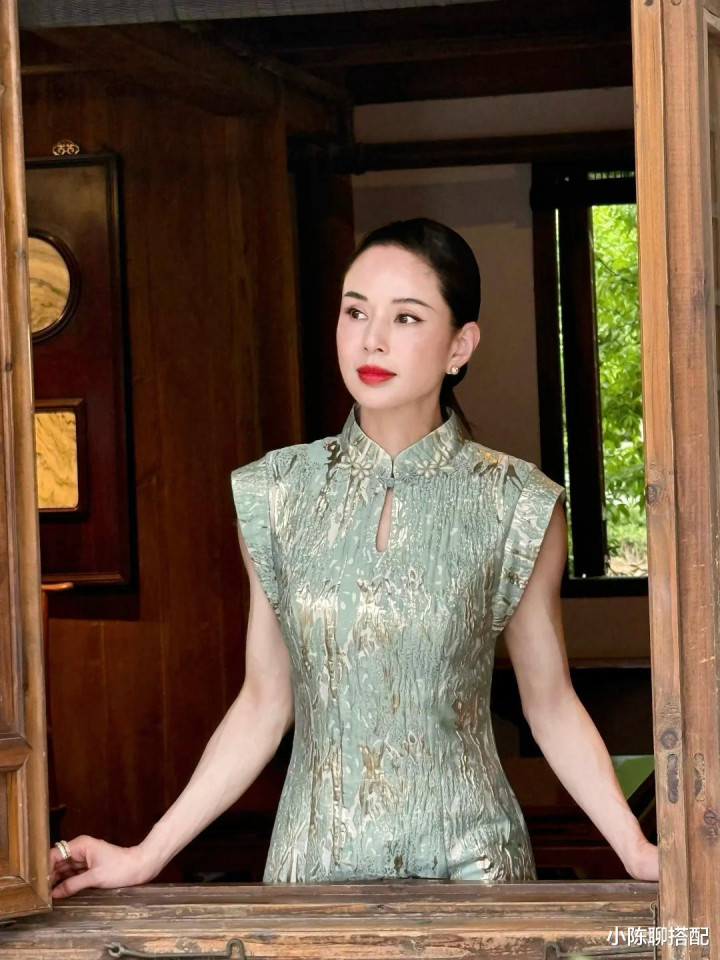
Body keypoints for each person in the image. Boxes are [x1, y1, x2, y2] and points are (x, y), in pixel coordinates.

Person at [49, 218, 659, 897]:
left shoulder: (517, 503)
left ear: (460, 346)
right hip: (311, 872)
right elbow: (264, 701)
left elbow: (550, 705)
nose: (372, 339)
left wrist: (634, 849)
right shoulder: (277, 493)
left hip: (473, 871)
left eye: (406, 317)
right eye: (356, 311)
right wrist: (146, 854)